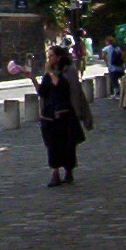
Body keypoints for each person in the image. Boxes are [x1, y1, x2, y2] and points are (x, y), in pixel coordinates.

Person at [23, 45, 93, 187]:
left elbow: (68, 89)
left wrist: (84, 115)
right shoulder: (49, 74)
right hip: (49, 115)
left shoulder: (69, 71)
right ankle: (55, 173)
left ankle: (68, 171)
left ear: (59, 57)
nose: (49, 59)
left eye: (51, 56)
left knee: (68, 145)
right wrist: (32, 79)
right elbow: (42, 92)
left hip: (66, 114)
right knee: (52, 145)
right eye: (48, 56)